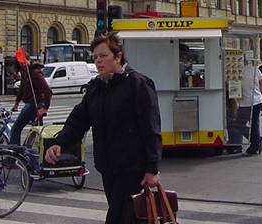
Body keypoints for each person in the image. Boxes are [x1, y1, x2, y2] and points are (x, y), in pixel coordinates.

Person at [45, 33, 162, 224]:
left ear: (118, 56)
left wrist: (152, 168)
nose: (98, 61)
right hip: (108, 168)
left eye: (103, 56)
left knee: (118, 217)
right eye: (95, 57)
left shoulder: (137, 84)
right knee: (126, 217)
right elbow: (79, 119)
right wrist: (60, 143)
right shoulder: (96, 87)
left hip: (133, 169)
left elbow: (151, 128)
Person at [10, 54, 52, 146]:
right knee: (37, 132)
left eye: (24, 62)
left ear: (28, 60)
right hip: (33, 103)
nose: (22, 64)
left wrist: (45, 108)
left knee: (15, 129)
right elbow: (21, 89)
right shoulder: (26, 72)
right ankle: (35, 151)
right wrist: (16, 103)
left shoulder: (35, 73)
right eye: (20, 63)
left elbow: (48, 91)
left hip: (34, 104)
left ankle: (14, 152)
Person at [236, 58, 262, 155]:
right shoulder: (255, 69)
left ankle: (255, 144)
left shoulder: (237, 71)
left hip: (245, 102)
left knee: (239, 124)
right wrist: (258, 93)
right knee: (254, 124)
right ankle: (256, 141)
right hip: (256, 101)